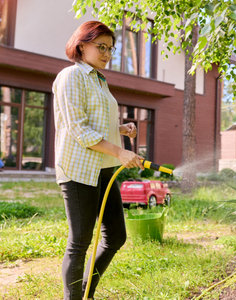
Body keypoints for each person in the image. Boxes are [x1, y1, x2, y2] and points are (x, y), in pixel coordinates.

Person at [52, 21, 144, 299]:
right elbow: (78, 128)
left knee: (116, 237)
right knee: (79, 242)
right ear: (82, 46)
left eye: (110, 48)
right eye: (100, 47)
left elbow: (96, 123)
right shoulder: (71, 76)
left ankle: (85, 292)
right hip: (78, 170)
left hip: (103, 169)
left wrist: (120, 129)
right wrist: (120, 152)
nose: (106, 53)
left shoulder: (99, 80)